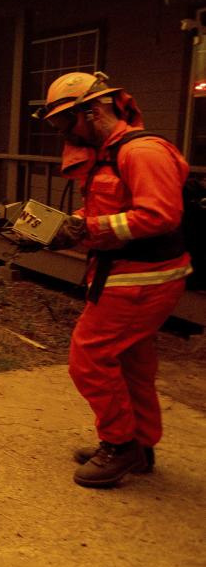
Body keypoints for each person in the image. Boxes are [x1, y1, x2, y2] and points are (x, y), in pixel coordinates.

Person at [33, 72, 190, 488]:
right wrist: (60, 226)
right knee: (131, 361)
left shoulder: (143, 152)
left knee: (89, 359)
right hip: (126, 273)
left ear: (94, 110)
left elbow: (159, 216)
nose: (61, 132)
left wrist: (89, 229)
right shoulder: (108, 154)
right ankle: (139, 443)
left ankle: (119, 446)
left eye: (64, 121)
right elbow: (113, 209)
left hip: (141, 276)